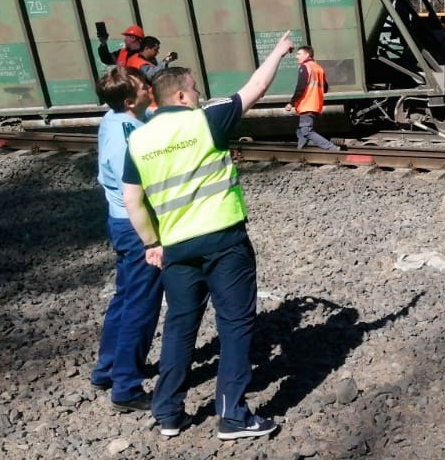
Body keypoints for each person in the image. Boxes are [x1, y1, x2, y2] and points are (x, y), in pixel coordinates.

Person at [120, 31, 296, 440]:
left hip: (177, 247)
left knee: (180, 326)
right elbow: (256, 87)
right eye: (194, 89)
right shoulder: (206, 121)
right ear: (180, 96)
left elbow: (133, 201)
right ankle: (232, 416)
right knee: (235, 324)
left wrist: (152, 243)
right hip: (223, 240)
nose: (198, 94)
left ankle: (167, 413)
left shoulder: (139, 139)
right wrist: (278, 52)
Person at [89, 66, 163, 414]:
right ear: (131, 100)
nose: (151, 88)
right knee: (141, 305)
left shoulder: (115, 118)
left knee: (124, 298)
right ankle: (126, 387)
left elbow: (144, 116)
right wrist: (152, 242)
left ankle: (107, 369)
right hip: (136, 228)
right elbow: (135, 193)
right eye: (144, 86)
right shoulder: (126, 138)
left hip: (120, 224)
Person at [283, 45, 339, 151]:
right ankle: (301, 151)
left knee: (306, 131)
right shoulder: (318, 68)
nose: (296, 56)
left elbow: (300, 87)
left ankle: (333, 149)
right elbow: (325, 88)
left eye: (299, 54)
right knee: (300, 130)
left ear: (307, 54)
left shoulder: (305, 67)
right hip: (315, 104)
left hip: (307, 104)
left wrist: (291, 102)